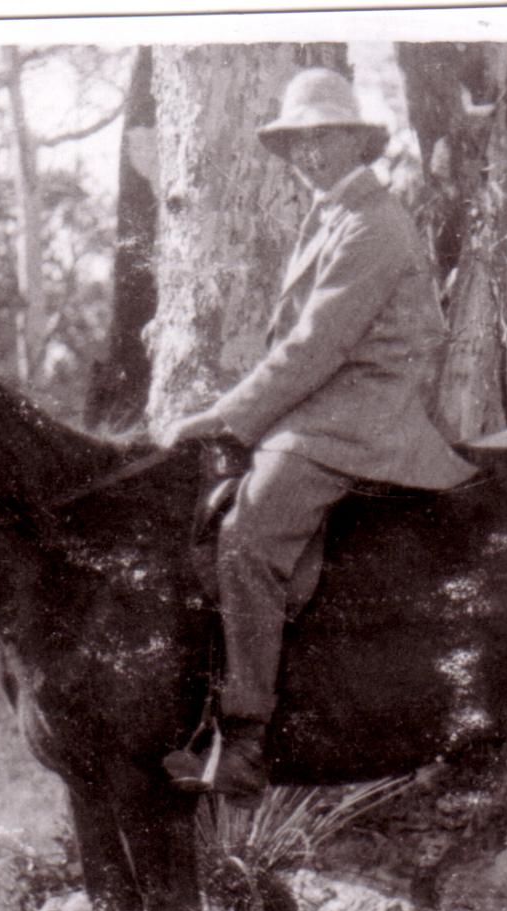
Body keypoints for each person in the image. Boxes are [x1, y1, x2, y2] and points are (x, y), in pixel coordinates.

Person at [158, 67, 475, 805]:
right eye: (299, 142)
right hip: (327, 403)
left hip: (361, 415)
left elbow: (314, 347)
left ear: (356, 141)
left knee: (249, 535)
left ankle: (243, 741)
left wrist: (227, 416)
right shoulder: (331, 214)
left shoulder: (373, 223)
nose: (310, 153)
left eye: (325, 137)